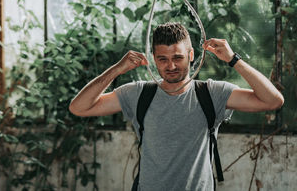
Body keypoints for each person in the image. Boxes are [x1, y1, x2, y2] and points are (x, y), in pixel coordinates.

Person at [69, 22, 284, 191]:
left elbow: (273, 101)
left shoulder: (212, 93)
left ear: (191, 56)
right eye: (162, 59)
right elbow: (79, 108)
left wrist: (233, 59)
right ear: (153, 58)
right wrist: (116, 69)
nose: (170, 66)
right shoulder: (138, 93)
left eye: (178, 58)